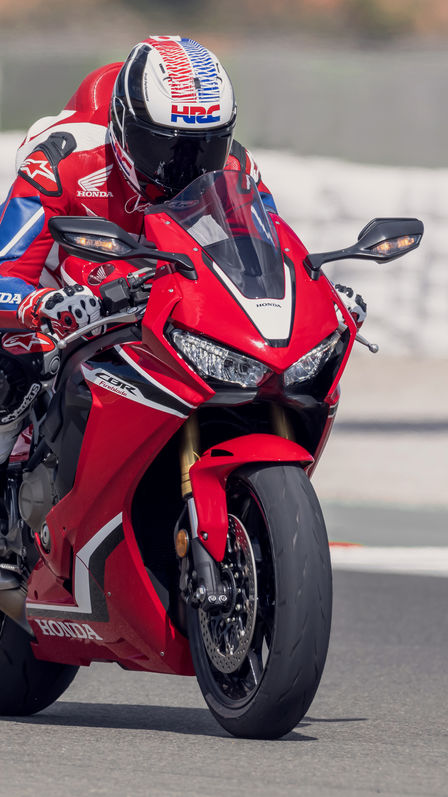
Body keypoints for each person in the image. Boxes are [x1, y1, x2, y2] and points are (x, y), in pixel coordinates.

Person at [0, 35, 365, 577]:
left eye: (204, 147)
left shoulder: (236, 169)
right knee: (15, 365)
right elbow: (5, 270)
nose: (183, 166)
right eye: (164, 147)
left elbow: (267, 250)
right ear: (125, 128)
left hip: (165, 303)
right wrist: (41, 306)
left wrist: (323, 296)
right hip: (74, 300)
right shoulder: (63, 159)